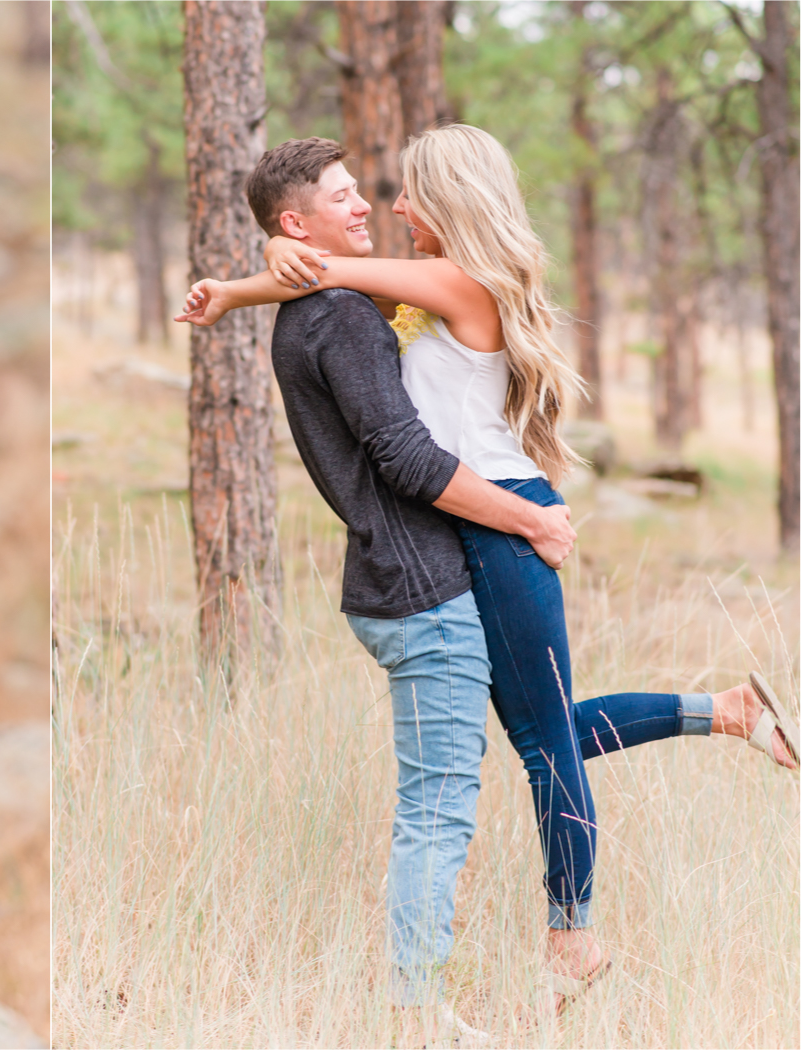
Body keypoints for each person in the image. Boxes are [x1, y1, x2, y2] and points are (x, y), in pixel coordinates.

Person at [178, 128, 798, 1021]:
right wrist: (247, 277)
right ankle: (729, 713)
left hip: (501, 519)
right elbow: (322, 275)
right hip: (476, 520)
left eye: (403, 196)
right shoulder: (438, 282)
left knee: (546, 744)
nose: (390, 210)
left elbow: (331, 277)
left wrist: (271, 260)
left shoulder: (459, 283)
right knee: (550, 728)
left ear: (448, 198)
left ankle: (572, 932)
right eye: (368, 195)